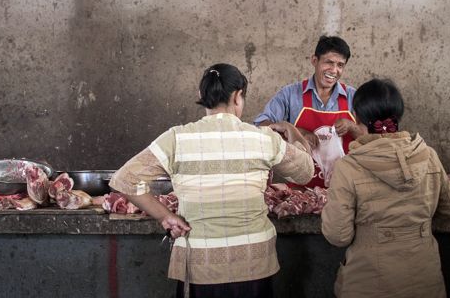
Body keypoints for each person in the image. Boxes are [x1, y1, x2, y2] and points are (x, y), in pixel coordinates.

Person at [109, 63, 314, 298]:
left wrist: (165, 216)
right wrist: (293, 131)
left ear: (201, 96)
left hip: (200, 266)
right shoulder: (264, 139)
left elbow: (124, 179)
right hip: (253, 264)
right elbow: (305, 172)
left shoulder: (177, 138)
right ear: (238, 96)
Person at [320, 78, 450, 298]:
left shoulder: (348, 167)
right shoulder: (428, 155)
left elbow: (338, 235)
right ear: (398, 116)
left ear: (356, 116)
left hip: (367, 283)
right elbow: (448, 207)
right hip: (425, 282)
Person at [255, 35, 365, 188]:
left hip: (346, 190)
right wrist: (296, 131)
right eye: (329, 62)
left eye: (340, 65)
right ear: (314, 60)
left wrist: (352, 127)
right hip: (300, 193)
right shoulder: (290, 94)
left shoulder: (353, 96)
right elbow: (261, 127)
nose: (334, 70)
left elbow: (373, 139)